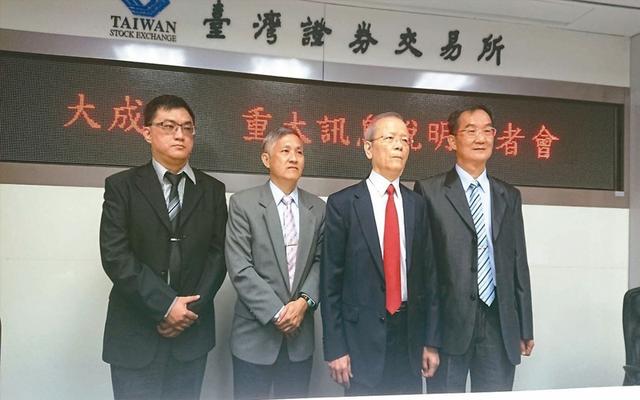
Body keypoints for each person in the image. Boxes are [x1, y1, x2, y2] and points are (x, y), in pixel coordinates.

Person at [99, 94, 227, 400]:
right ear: (147, 132)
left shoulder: (212, 190)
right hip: (135, 331)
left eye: (187, 127)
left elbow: (219, 255)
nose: (179, 135)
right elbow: (115, 255)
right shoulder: (121, 186)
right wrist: (166, 306)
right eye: (168, 126)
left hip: (191, 333)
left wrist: (186, 311)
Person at [414, 104, 534, 393]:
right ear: (452, 140)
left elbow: (518, 262)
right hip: (448, 327)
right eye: (471, 131)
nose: (481, 138)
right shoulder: (429, 191)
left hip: (498, 323)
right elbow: (423, 271)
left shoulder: (509, 195)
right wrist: (428, 338)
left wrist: (524, 325)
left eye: (487, 130)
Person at [321, 112, 440, 396]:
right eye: (390, 138)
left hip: (409, 337)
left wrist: (431, 342)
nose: (399, 145)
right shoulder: (343, 204)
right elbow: (330, 283)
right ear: (368, 148)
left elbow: (430, 277)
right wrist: (335, 348)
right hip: (360, 340)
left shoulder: (418, 205)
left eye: (405, 140)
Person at [225, 127, 325, 399]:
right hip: (253, 337)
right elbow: (240, 267)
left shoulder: (318, 208)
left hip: (299, 338)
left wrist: (303, 303)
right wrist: (278, 313)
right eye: (285, 151)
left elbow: (321, 262)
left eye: (299, 152)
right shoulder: (243, 204)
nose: (294, 157)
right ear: (266, 159)